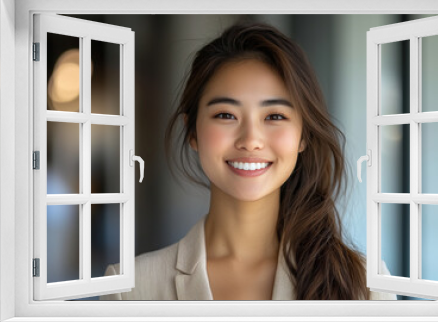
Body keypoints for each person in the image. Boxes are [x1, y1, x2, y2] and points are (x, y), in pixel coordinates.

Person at [100, 21, 396, 301]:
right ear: (193, 131)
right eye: (226, 115)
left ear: (303, 135)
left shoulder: (366, 285)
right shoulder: (131, 288)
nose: (251, 139)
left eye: (275, 116)